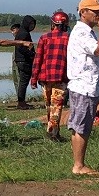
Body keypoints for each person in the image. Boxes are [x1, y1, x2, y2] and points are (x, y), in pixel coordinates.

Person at [66, 0, 99, 176]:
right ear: (83, 12)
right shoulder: (83, 32)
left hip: (86, 85)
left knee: (80, 125)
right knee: (82, 126)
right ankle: (79, 165)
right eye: (95, 11)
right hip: (84, 86)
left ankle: (79, 163)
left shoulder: (86, 31)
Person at [31, 10, 70, 141]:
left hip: (45, 78)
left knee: (49, 106)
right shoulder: (68, 38)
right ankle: (53, 132)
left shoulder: (44, 37)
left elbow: (38, 59)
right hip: (61, 77)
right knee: (57, 106)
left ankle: (53, 131)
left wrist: (33, 78)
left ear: (53, 24)